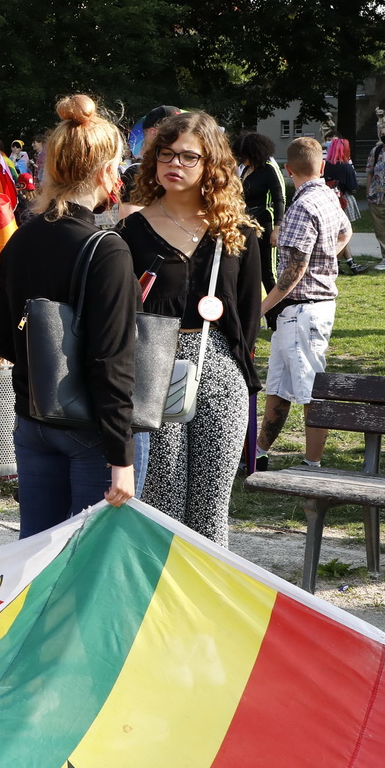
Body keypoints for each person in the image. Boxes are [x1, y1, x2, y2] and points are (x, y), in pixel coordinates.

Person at [0, 96, 136, 532]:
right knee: (92, 559)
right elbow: (112, 360)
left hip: (32, 418)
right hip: (89, 426)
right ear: (108, 172)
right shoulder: (107, 249)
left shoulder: (21, 239)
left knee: (37, 554)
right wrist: (121, 456)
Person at [122, 112, 261, 546]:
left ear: (211, 165)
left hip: (219, 371)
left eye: (188, 156)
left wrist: (237, 370)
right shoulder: (131, 230)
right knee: (159, 501)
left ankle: (204, 604)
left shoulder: (236, 231)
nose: (174, 164)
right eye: (166, 154)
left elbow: (249, 314)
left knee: (210, 506)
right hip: (153, 372)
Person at [255, 138, 350, 474]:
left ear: (287, 169)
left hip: (303, 309)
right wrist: (326, 259)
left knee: (310, 391)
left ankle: (313, 464)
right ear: (321, 166)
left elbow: (293, 272)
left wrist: (261, 308)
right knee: (279, 385)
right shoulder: (327, 196)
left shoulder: (302, 207)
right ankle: (257, 453)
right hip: (306, 308)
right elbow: (346, 232)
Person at [236, 133, 288, 294]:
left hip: (265, 223)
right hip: (246, 223)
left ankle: (276, 312)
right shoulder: (245, 170)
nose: (241, 159)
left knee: (268, 272)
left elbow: (280, 199)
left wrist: (277, 229)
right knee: (245, 269)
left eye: (244, 155)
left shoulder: (269, 169)